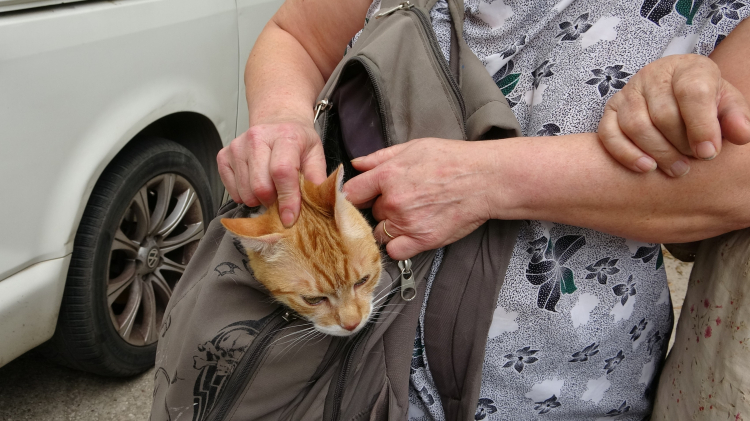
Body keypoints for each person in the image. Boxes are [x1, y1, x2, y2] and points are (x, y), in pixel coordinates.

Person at [217, 0, 750, 418]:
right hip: (341, 377)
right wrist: (282, 117)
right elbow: (296, 36)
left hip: (560, 390)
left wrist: (485, 180)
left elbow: (737, 178)